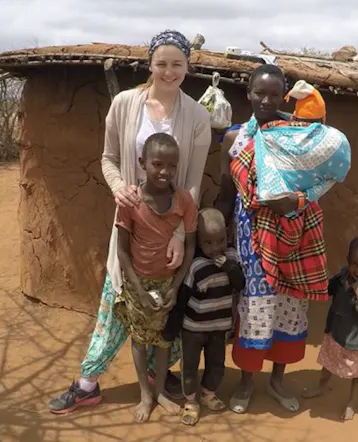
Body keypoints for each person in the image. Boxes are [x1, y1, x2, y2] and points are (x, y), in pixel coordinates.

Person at [48, 29, 211, 414]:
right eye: (161, 64)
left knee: (165, 304)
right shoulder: (124, 104)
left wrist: (177, 234)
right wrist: (120, 186)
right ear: (149, 64)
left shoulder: (198, 117)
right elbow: (107, 157)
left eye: (177, 64)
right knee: (118, 297)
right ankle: (88, 382)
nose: (169, 72)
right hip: (130, 223)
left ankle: (159, 373)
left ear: (188, 66)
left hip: (170, 227)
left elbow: (193, 181)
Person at [215, 64, 349, 414]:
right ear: (247, 93)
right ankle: (246, 383)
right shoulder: (235, 138)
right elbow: (225, 193)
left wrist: (297, 202)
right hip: (249, 237)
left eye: (275, 94)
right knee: (253, 307)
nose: (266, 100)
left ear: (284, 95)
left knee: (290, 307)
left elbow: (324, 176)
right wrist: (225, 242)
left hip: (294, 235)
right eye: (259, 92)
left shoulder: (300, 132)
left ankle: (277, 380)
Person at [114, 132, 198, 422]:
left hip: (167, 284)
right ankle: (145, 394)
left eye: (171, 166)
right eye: (157, 164)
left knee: (162, 341)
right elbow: (122, 251)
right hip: (138, 282)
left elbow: (190, 248)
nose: (165, 172)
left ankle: (159, 390)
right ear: (142, 163)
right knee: (139, 340)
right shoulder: (130, 202)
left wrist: (174, 289)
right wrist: (137, 289)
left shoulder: (184, 201)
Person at [163, 208, 244, 426]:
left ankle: (208, 394)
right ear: (198, 241)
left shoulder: (233, 258)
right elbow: (182, 299)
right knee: (189, 367)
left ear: (227, 236)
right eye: (208, 242)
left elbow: (240, 284)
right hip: (193, 329)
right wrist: (172, 327)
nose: (216, 247)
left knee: (217, 364)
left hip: (219, 328)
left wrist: (229, 268)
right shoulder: (196, 266)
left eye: (220, 240)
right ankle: (191, 402)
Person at [302, 236, 358, 421]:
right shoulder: (343, 275)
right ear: (347, 261)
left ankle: (352, 402)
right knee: (328, 362)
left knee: (357, 372)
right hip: (336, 332)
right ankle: (322, 386)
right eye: (355, 264)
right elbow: (328, 289)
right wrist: (322, 277)